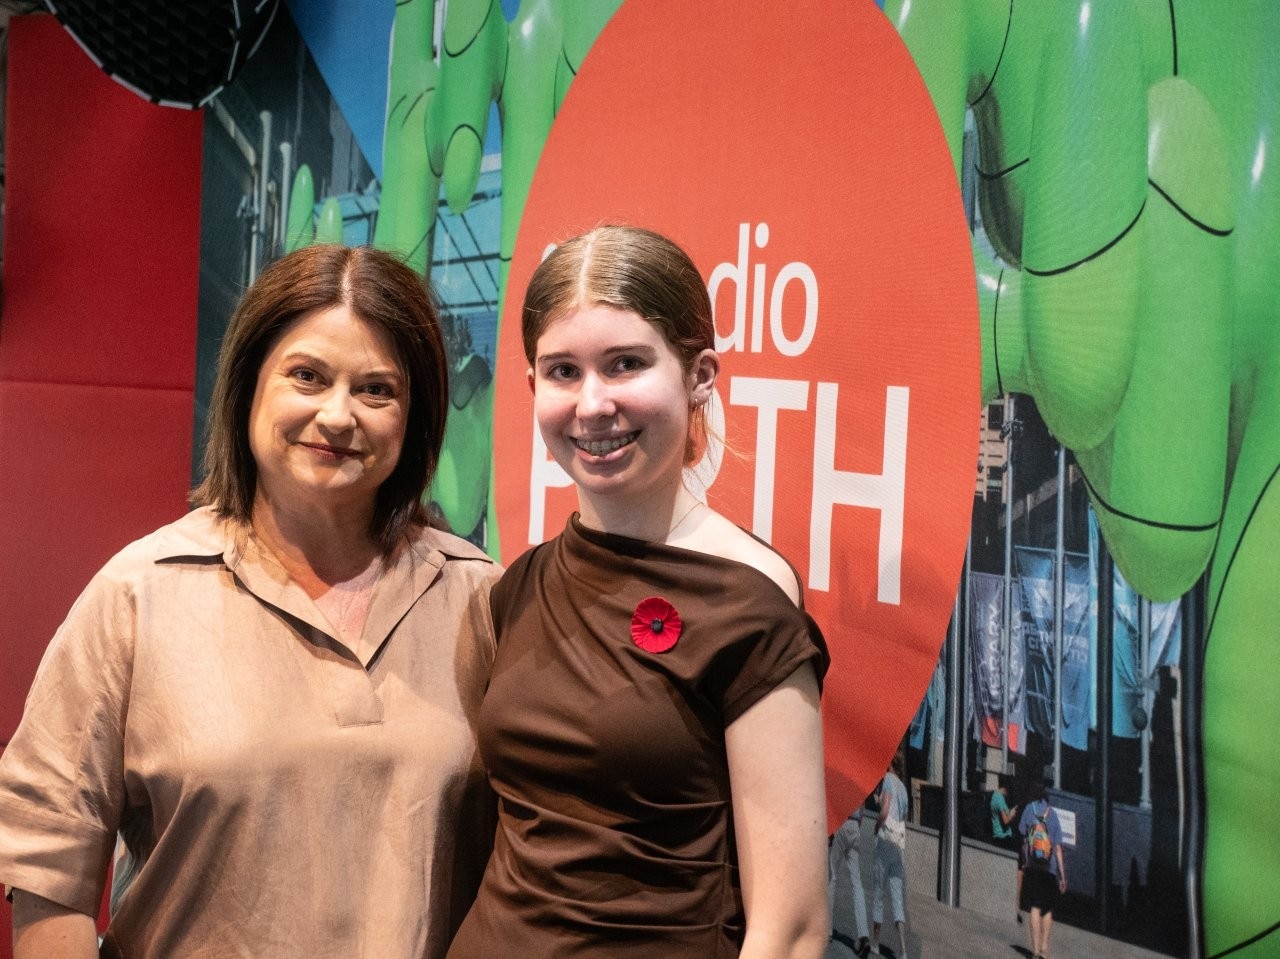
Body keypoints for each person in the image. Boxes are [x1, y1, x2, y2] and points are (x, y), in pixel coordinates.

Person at [0, 244, 500, 958]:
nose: (338, 415)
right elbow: (50, 871)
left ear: (414, 417)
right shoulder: (137, 596)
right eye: (307, 376)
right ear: (249, 386)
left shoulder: (482, 601)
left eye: (376, 389)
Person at [445, 225, 830, 958]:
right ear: (532, 388)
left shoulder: (748, 599)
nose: (592, 403)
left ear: (699, 375)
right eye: (563, 371)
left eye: (625, 364)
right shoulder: (511, 593)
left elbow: (792, 930)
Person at [1018, 781, 1068, 959]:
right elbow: (1058, 848)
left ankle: (1034, 950)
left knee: (1034, 907)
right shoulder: (1052, 814)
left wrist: (1025, 861)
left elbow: (1024, 839)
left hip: (1032, 866)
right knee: (1047, 910)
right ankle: (1045, 948)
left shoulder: (1028, 810)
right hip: (1049, 868)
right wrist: (1062, 875)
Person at [870, 749, 909, 959]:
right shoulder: (903, 788)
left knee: (878, 892)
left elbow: (885, 811)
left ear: (890, 764)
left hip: (885, 842)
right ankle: (903, 950)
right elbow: (903, 817)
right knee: (897, 897)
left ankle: (875, 943)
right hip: (898, 846)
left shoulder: (887, 780)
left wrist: (876, 828)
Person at [829, 807, 872, 958]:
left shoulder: (843, 784)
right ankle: (864, 935)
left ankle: (827, 929)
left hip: (842, 824)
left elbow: (833, 808)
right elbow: (862, 815)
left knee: (833, 876)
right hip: (855, 827)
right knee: (857, 883)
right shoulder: (859, 787)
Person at [990, 777, 1023, 922]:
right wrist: (1013, 814)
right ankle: (1016, 905)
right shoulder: (1000, 799)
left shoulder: (994, 797)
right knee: (1020, 868)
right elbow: (1005, 820)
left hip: (998, 836)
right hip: (1003, 837)